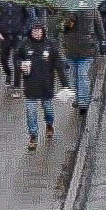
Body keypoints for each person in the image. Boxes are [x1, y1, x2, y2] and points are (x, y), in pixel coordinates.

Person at [14, 20, 67, 150]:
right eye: (34, 31)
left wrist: (65, 84)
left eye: (39, 31)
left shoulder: (50, 45)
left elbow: (59, 64)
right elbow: (16, 57)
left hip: (46, 85)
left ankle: (49, 123)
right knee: (31, 112)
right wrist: (21, 64)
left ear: (43, 31)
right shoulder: (25, 44)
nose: (37, 33)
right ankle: (33, 136)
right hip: (30, 85)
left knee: (47, 108)